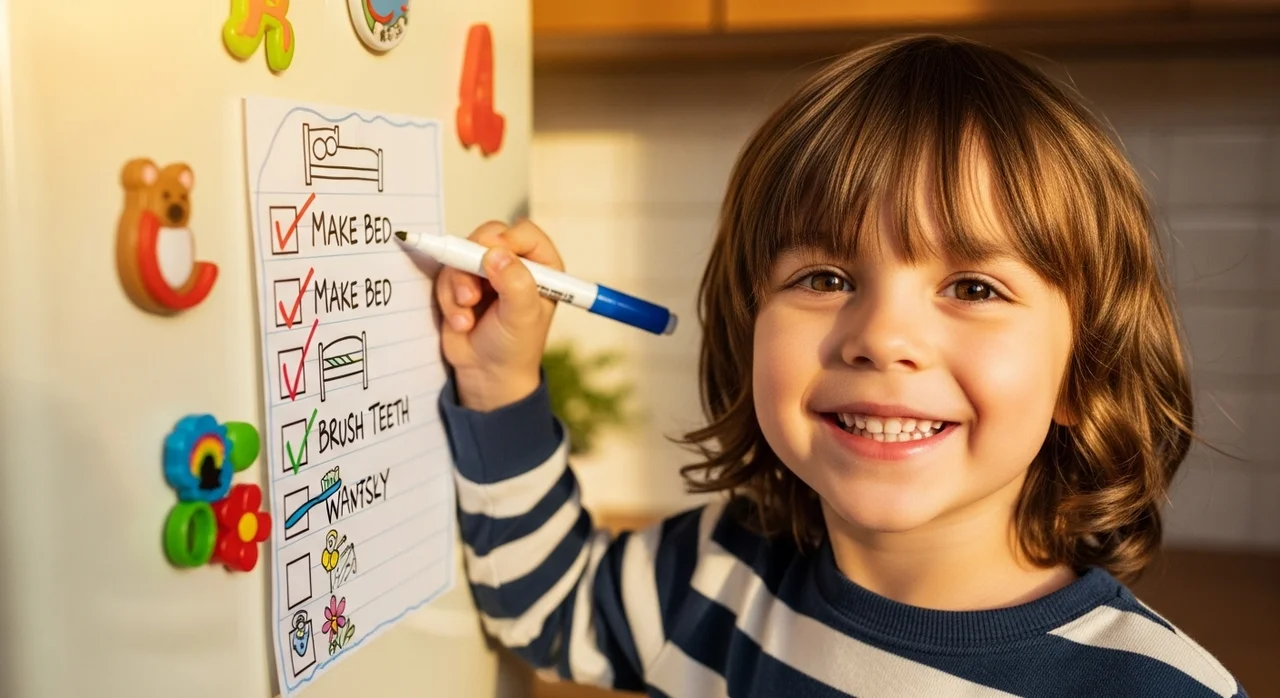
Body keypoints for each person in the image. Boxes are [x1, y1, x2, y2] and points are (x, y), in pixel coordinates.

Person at [433, 34, 1247, 697]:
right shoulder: (714, 574)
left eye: (972, 286)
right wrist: (501, 384)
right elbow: (544, 607)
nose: (881, 337)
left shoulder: (1153, 687)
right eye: (825, 279)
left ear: (1084, 374)